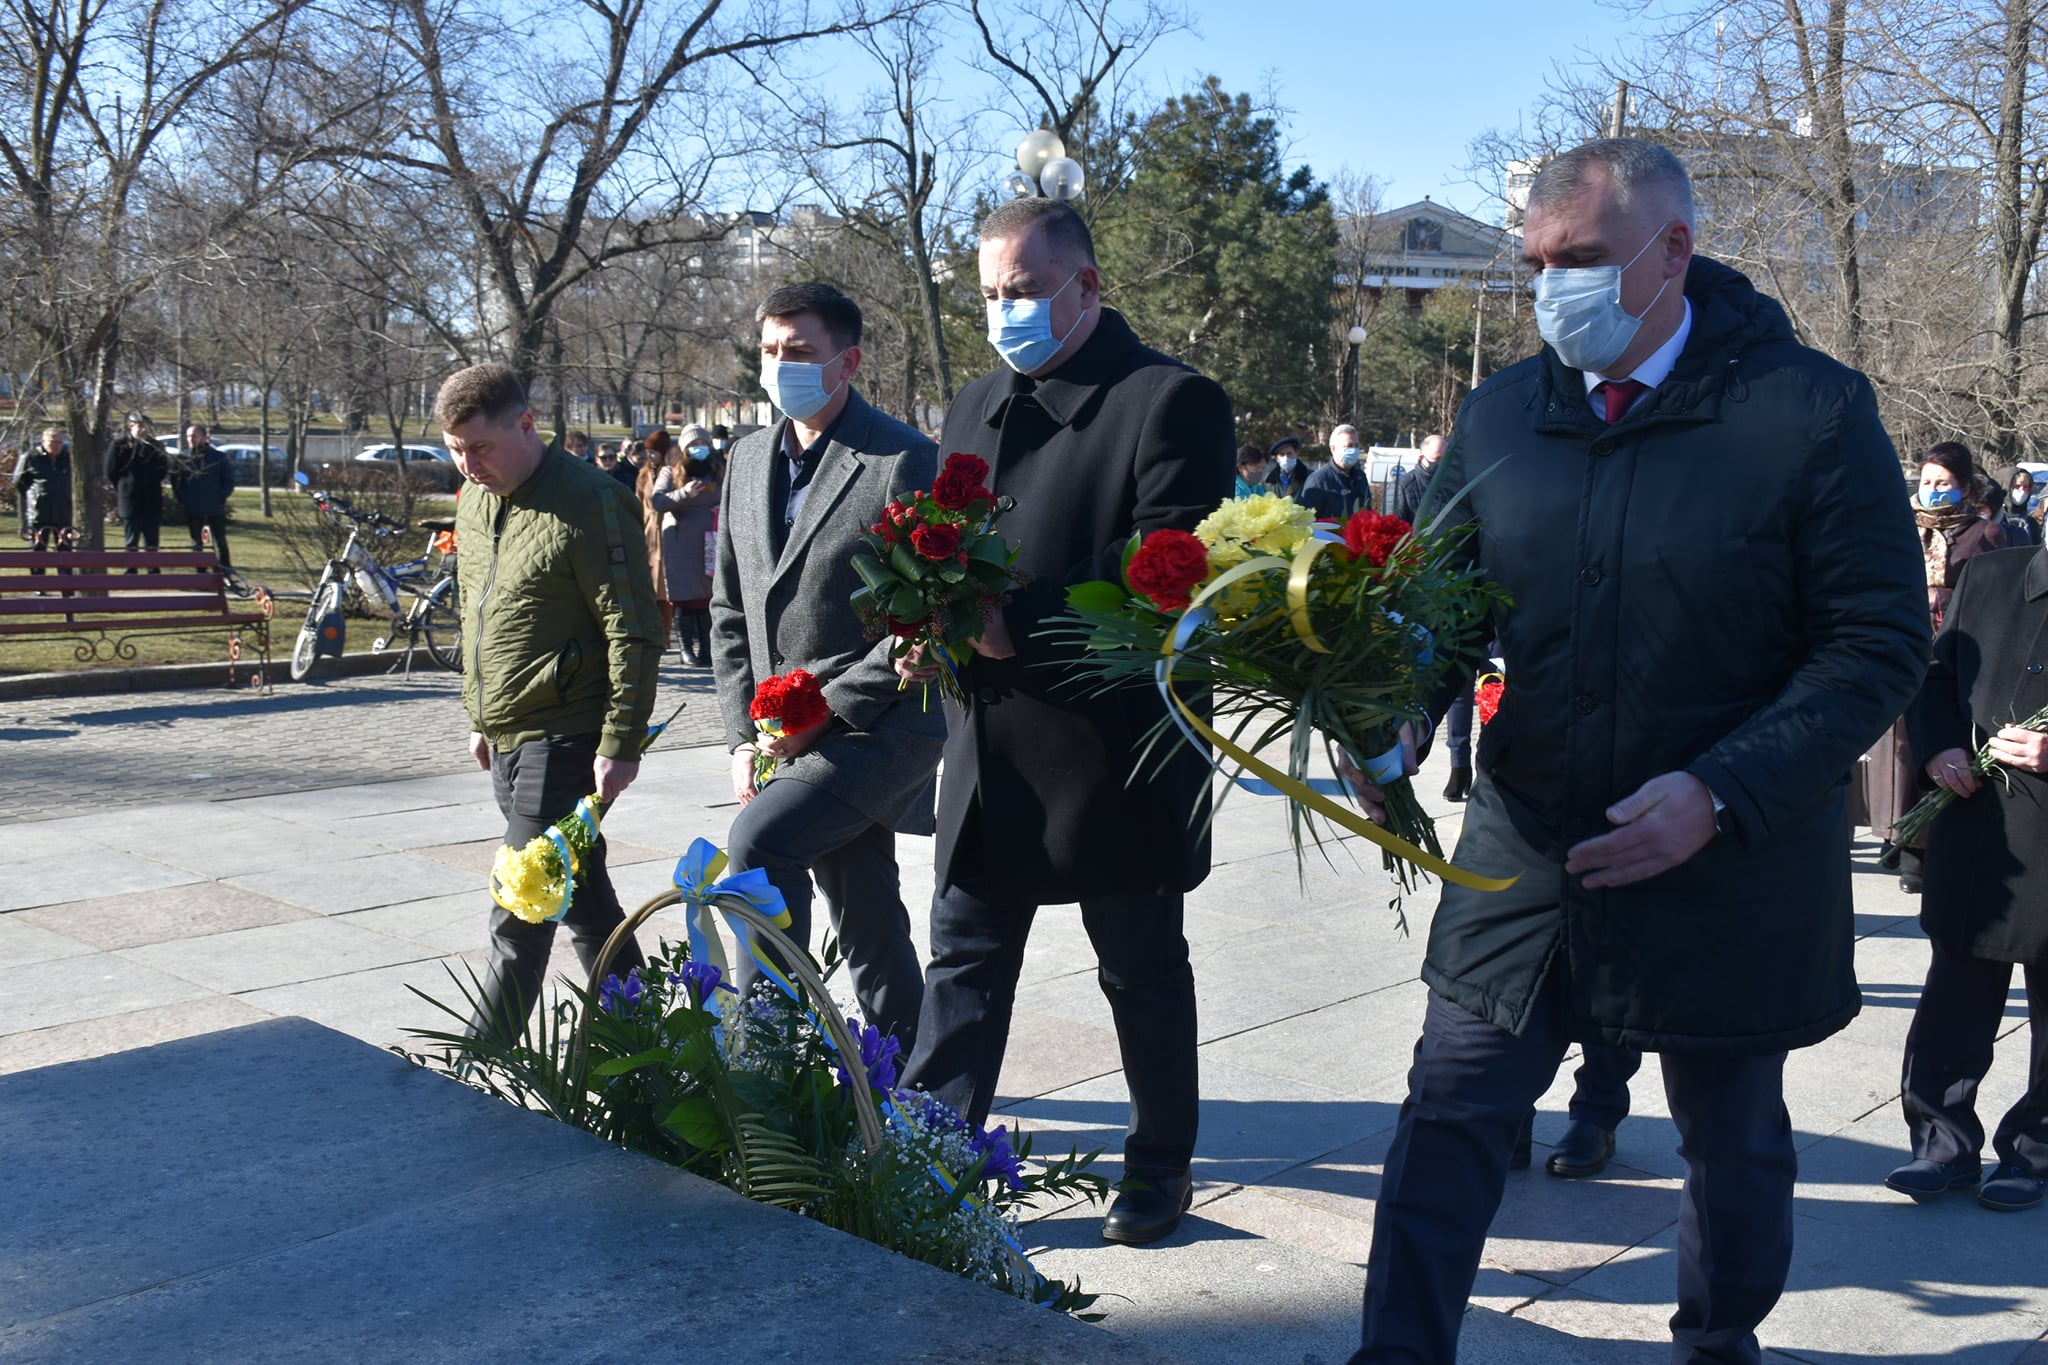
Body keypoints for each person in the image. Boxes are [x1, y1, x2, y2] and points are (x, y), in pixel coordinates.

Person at [1342, 138, 1927, 1365]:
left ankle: (1715, 1344)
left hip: (1724, 856)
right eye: (1539, 263)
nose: (1557, 286)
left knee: (1729, 1138)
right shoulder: (1501, 412)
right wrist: (1391, 703)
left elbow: (1875, 647)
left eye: (1586, 259)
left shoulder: (1808, 411)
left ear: (1674, 250)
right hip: (1529, 838)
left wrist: (1720, 792)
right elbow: (1439, 607)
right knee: (1449, 1102)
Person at [897, 197, 1232, 1246]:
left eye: (1026, 292)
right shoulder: (973, 403)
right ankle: (927, 1156)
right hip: (991, 748)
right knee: (961, 957)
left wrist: (1010, 625)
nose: (1006, 312)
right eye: (992, 294)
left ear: (1086, 286)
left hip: (1112, 753)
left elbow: (1164, 581)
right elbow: (944, 544)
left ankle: (1159, 1161)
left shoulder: (1167, 400)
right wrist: (930, 616)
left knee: (1137, 961)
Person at [710, 281, 944, 1050]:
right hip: (783, 736)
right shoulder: (746, 458)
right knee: (866, 906)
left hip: (873, 728)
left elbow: (925, 623)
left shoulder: (901, 458)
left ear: (848, 361)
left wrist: (822, 712)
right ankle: (914, 1069)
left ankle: (768, 1051)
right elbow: (730, 612)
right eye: (771, 350)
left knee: (761, 843)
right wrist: (746, 734)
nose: (780, 365)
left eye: (800, 352)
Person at [437, 362, 662, 1040]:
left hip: (566, 733)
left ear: (526, 425)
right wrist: (480, 716)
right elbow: (477, 613)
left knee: (521, 896)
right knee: (586, 905)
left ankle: (481, 1060)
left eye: (481, 447)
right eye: (455, 450)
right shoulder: (474, 501)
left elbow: (633, 626)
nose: (469, 464)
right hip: (505, 733)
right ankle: (649, 1043)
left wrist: (620, 743)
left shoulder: (591, 499)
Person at [1885, 541, 2048, 1212]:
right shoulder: (1991, 573)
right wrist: (1939, 746)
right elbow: (1935, 676)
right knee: (1956, 991)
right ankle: (1941, 1140)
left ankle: (2035, 1152)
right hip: (1980, 826)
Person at [1854, 442, 2005, 893]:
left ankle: (1919, 851)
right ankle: (1894, 833)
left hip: (1956, 653)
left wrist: (1945, 600)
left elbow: (1995, 596)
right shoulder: (1899, 524)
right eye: (1927, 482)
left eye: (1944, 484)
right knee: (1894, 751)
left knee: (1933, 742)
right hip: (1900, 646)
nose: (1933, 490)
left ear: (1962, 486)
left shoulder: (1984, 534)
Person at [651, 424, 721, 666]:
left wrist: (722, 507)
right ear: (683, 448)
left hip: (711, 542)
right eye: (693, 446)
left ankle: (706, 647)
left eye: (702, 444)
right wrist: (684, 494)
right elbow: (657, 501)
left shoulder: (717, 469)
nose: (699, 449)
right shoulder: (671, 472)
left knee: (707, 599)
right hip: (681, 543)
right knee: (685, 600)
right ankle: (685, 649)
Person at [107, 412, 169, 571]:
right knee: (131, 538)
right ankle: (131, 569)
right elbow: (111, 470)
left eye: (146, 426)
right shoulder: (120, 445)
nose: (144, 429)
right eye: (140, 425)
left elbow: (163, 469)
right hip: (130, 498)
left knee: (152, 539)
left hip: (152, 498)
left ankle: (153, 570)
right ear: (130, 426)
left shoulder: (156, 446)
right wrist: (124, 486)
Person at [171, 425, 236, 569]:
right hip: (193, 507)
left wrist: (220, 497)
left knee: (220, 542)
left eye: (194, 435)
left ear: (204, 437)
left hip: (214, 506)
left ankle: (224, 573)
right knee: (196, 543)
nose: (191, 439)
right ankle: (201, 574)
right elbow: (176, 482)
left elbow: (229, 480)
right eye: (188, 436)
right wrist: (183, 499)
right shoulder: (183, 458)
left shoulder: (218, 457)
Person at [15, 428, 74, 582]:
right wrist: (34, 497)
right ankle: (38, 584)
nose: (56, 445)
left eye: (59, 442)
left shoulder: (67, 458)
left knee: (64, 550)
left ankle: (65, 583)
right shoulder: (30, 457)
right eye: (52, 442)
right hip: (39, 512)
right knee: (38, 550)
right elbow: (19, 482)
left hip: (63, 512)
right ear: (43, 441)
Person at [635, 429, 673, 648]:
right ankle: (652, 633)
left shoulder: (671, 472)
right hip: (649, 532)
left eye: (654, 452)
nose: (650, 456)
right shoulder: (643, 474)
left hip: (666, 529)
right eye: (647, 452)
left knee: (666, 589)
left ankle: (666, 635)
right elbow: (638, 501)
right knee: (650, 587)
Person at [1302, 424, 1373, 522]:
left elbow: (1368, 511)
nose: (1354, 450)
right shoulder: (1318, 480)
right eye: (1349, 446)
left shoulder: (1360, 477)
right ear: (1333, 449)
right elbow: (1307, 520)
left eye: (1356, 446)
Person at [1392, 432, 1445, 525]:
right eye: (1437, 458)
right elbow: (1393, 526)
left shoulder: (1455, 483)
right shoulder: (1404, 486)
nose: (1442, 463)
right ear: (1422, 458)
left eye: (1446, 458)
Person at [1268, 436, 1311, 503]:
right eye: (1282, 454)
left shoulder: (1310, 476)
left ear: (1297, 454)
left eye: (1289, 453)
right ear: (1277, 459)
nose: (1286, 458)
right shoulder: (1268, 481)